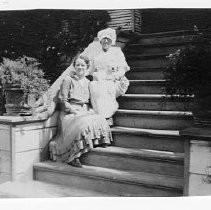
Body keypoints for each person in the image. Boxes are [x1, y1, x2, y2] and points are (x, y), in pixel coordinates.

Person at [49, 55, 112, 167]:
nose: (80, 67)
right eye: (77, 65)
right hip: (70, 112)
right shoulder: (68, 80)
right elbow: (63, 100)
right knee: (82, 125)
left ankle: (96, 142)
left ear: (87, 67)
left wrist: (93, 110)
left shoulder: (88, 82)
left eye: (82, 65)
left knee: (100, 119)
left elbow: (92, 100)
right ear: (74, 66)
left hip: (85, 110)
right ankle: (74, 156)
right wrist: (74, 111)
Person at [83, 28, 130, 120]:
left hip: (114, 80)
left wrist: (114, 77)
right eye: (104, 39)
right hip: (100, 79)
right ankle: (100, 113)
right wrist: (81, 74)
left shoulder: (117, 51)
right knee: (93, 85)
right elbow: (90, 69)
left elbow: (122, 69)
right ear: (100, 41)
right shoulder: (96, 54)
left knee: (105, 86)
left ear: (112, 41)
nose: (106, 41)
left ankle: (106, 115)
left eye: (108, 39)